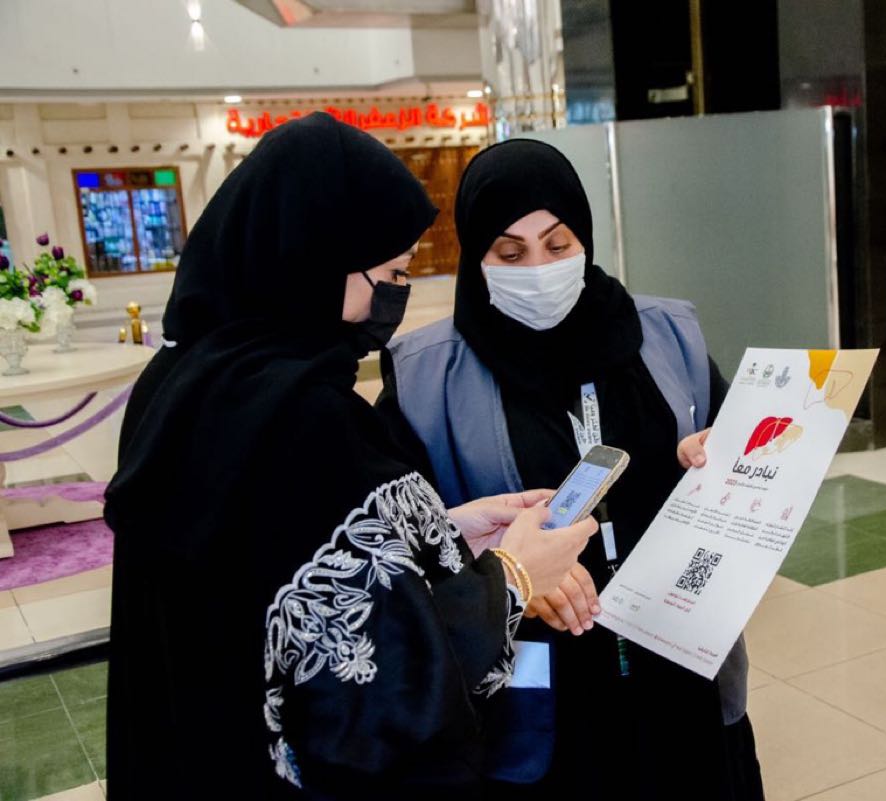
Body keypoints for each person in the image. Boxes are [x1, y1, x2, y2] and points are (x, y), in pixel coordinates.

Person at [103, 114, 597, 800]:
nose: (395, 295)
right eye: (391, 273)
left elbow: (276, 559)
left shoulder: (183, 382)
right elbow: (380, 689)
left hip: (201, 745)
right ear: (313, 257)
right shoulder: (305, 415)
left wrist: (441, 533)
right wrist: (512, 577)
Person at [377, 139, 764, 800]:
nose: (539, 269)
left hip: (678, 669)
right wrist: (507, 574)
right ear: (476, 256)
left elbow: (744, 466)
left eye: (558, 245)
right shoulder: (424, 379)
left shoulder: (666, 335)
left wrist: (712, 464)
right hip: (543, 706)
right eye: (510, 254)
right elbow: (394, 551)